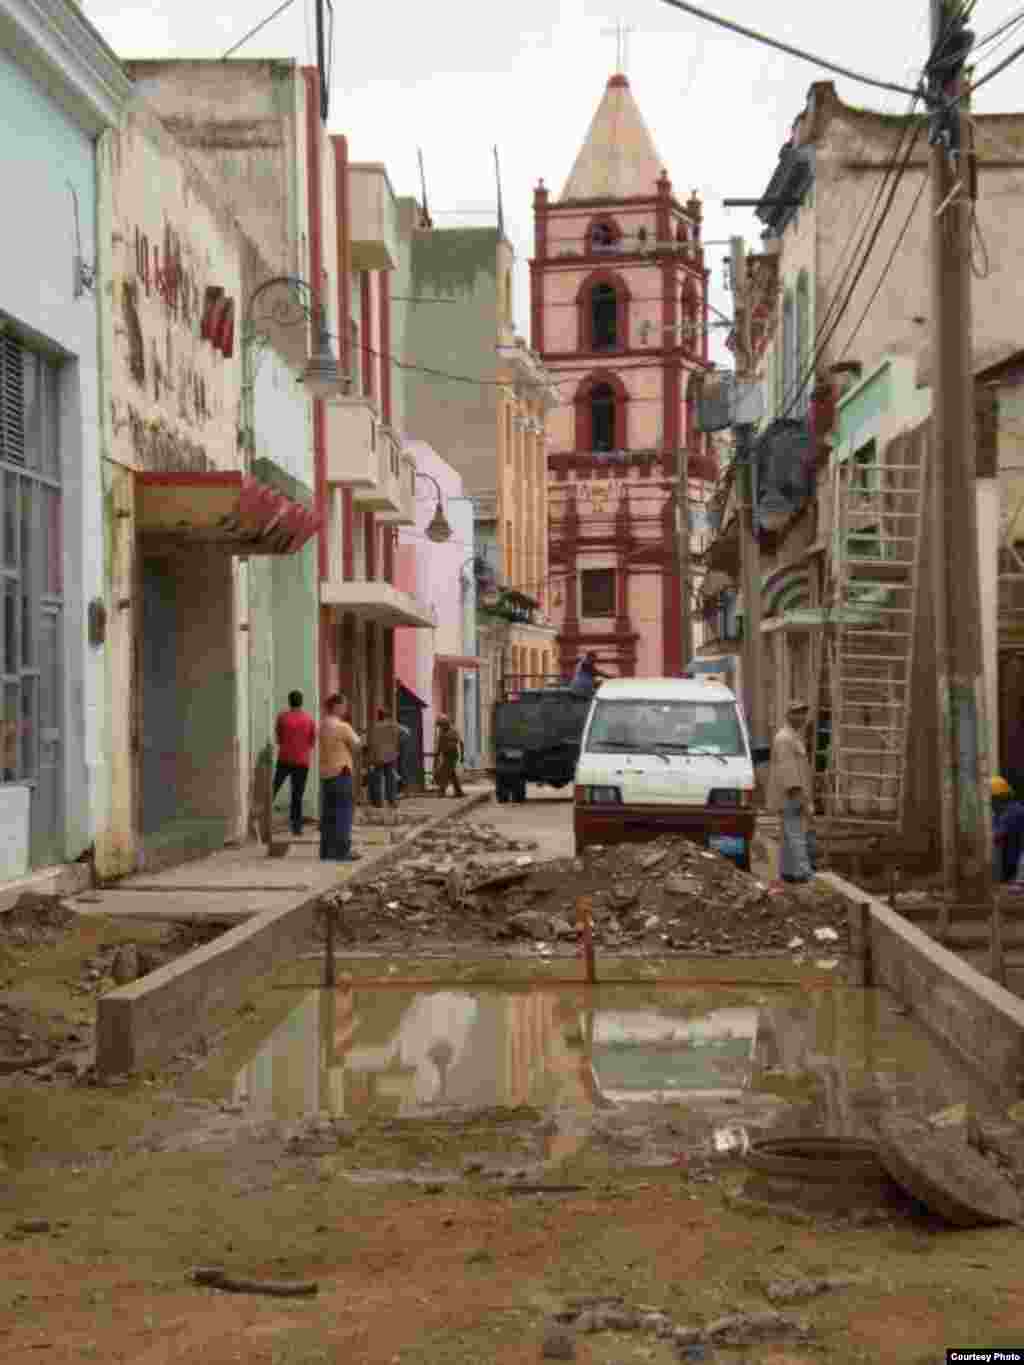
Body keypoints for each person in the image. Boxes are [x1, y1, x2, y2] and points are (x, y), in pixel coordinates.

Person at [767, 699, 814, 884]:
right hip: (791, 794)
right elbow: (788, 770)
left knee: (788, 835)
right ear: (788, 715)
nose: (801, 717)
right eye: (797, 713)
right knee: (797, 834)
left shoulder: (792, 737)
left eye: (803, 713)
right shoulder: (785, 739)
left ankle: (787, 872)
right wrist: (799, 795)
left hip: (792, 793)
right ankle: (803, 873)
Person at [319, 692, 361, 862]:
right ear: (336, 707)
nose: (345, 708)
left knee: (328, 814)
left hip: (326, 773)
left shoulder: (323, 725)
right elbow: (357, 745)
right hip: (341, 772)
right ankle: (342, 851)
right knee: (343, 813)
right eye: (344, 705)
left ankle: (326, 851)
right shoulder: (342, 726)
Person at [272, 690, 317, 837]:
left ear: (289, 701)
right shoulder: (309, 720)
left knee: (273, 788)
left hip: (284, 758)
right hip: (302, 761)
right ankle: (296, 828)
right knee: (297, 795)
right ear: (301, 702)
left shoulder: (282, 717)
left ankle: (262, 820)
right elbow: (312, 742)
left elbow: (279, 738)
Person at [367, 705, 408, 808]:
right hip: (390, 755)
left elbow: (369, 742)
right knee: (390, 779)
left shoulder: (374, 727)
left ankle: (378, 802)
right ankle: (392, 801)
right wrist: (398, 743)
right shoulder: (393, 725)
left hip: (377, 756)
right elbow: (406, 732)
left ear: (379, 716)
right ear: (387, 716)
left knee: (377, 779)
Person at [991, 775, 1024, 883]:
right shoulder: (999, 813)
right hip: (1009, 864)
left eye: (992, 800)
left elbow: (997, 836)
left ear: (999, 798)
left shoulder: (1014, 811)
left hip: (1016, 864)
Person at [434, 714, 465, 797]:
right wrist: (437, 754)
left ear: (446, 723)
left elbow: (461, 743)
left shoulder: (453, 731)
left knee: (445, 773)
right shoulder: (442, 732)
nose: (440, 727)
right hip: (445, 755)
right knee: (451, 773)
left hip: (453, 755)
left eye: (441, 725)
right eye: (440, 725)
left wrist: (462, 756)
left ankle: (442, 790)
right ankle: (459, 791)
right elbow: (440, 744)